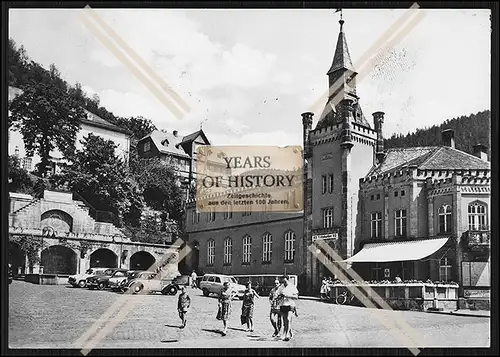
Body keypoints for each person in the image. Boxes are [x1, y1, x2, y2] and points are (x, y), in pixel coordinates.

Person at [278, 275, 299, 341]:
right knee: (284, 321)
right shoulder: (281, 287)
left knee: (288, 319)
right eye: (283, 282)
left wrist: (287, 295)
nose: (284, 283)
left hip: (290, 304)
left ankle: (287, 335)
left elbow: (296, 297)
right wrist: (279, 296)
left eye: (285, 281)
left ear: (288, 280)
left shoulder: (292, 287)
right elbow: (277, 295)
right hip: (283, 304)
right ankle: (285, 333)